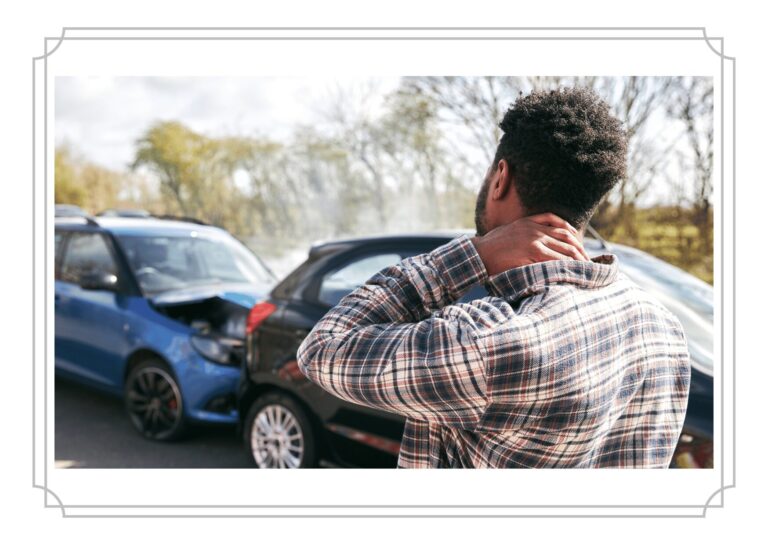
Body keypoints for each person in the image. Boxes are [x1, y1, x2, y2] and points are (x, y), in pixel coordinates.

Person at [297, 87, 691, 468]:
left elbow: (322, 349)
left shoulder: (486, 341)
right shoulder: (662, 328)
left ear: (500, 177)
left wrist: (474, 255)